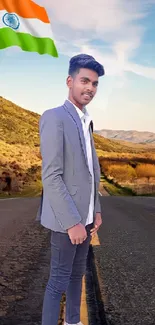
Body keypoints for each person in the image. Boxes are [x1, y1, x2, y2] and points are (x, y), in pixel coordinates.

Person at [37, 53, 105, 325]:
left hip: (87, 219)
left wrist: (96, 210)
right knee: (58, 282)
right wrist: (72, 222)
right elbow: (51, 176)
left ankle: (73, 322)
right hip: (68, 222)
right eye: (84, 80)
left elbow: (91, 172)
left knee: (78, 275)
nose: (90, 87)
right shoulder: (55, 117)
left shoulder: (86, 120)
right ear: (70, 81)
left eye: (95, 83)